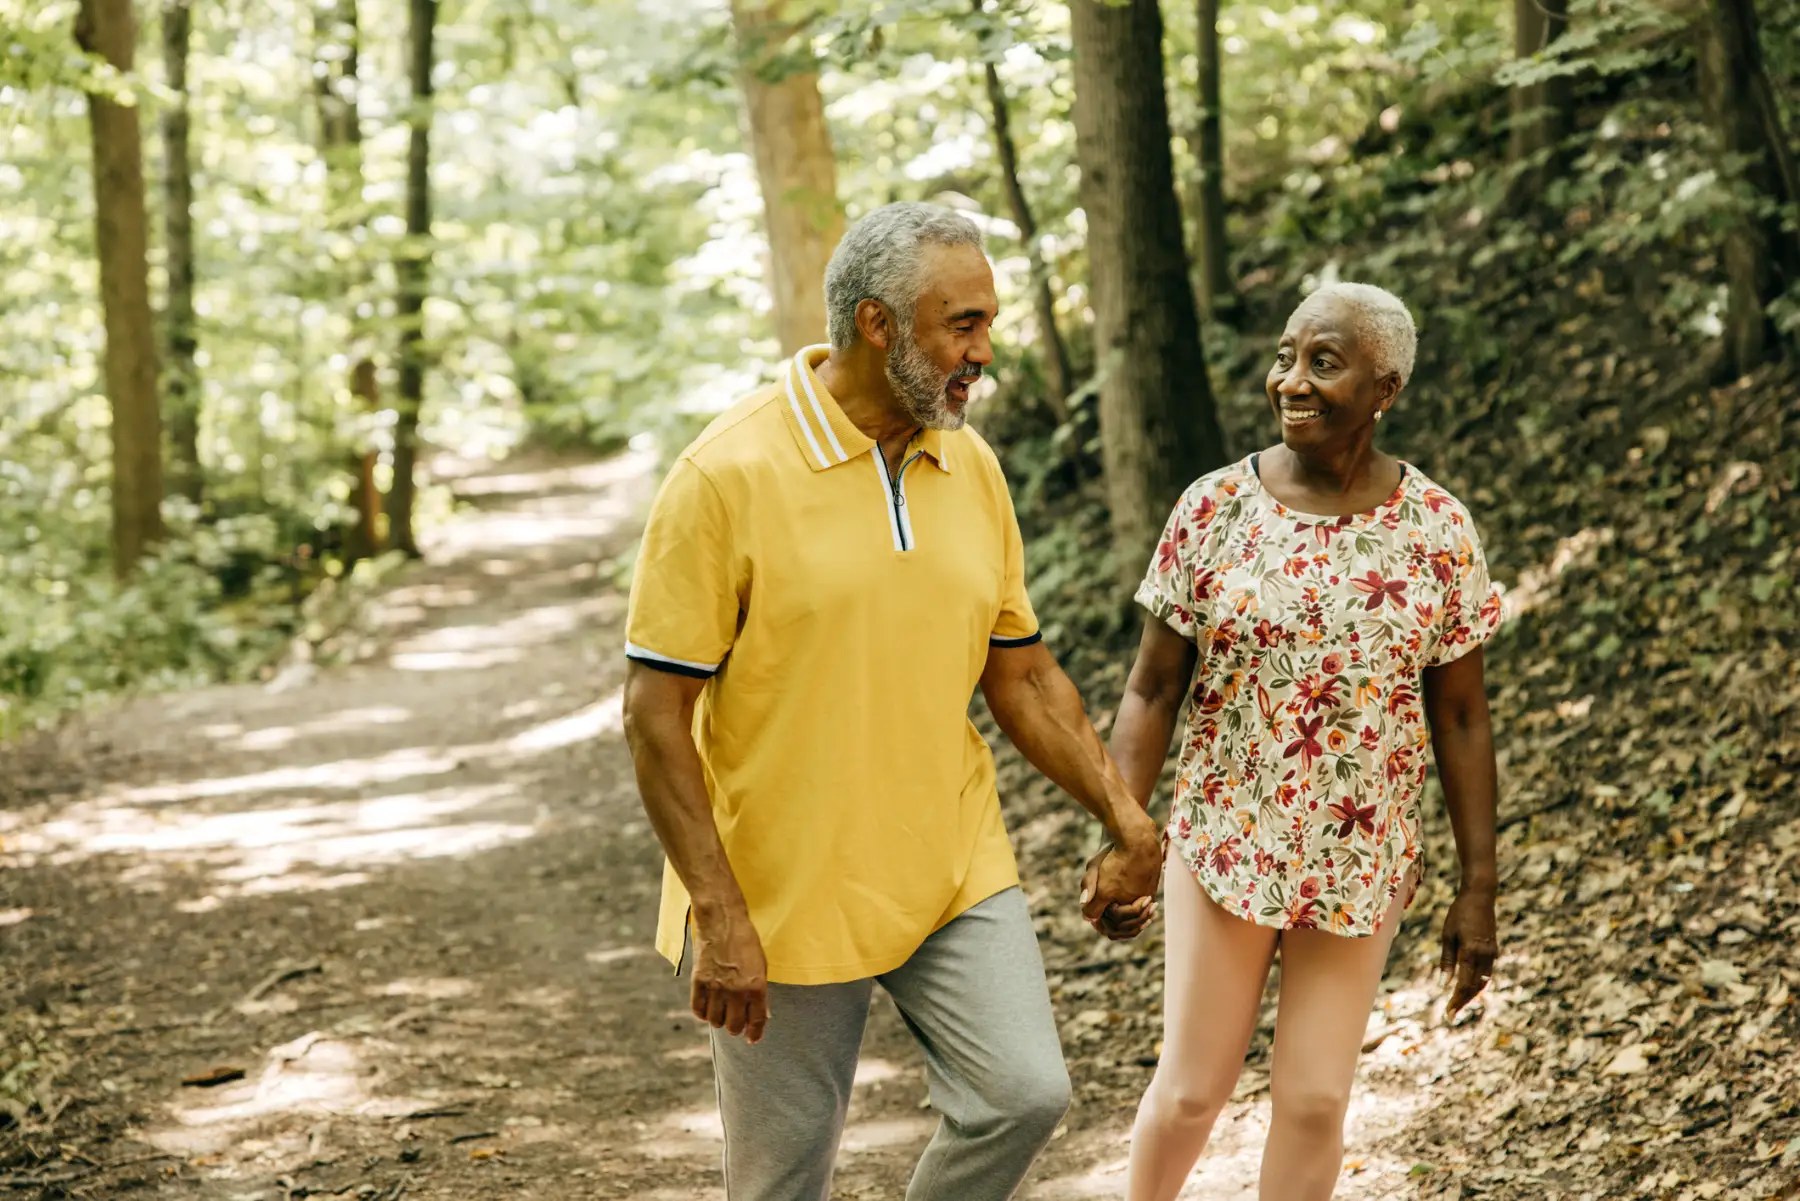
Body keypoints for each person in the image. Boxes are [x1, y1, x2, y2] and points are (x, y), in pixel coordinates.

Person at [620, 201, 1162, 1201]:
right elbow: (654, 717)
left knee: (1022, 1092)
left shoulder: (971, 465)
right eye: (963, 324)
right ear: (877, 325)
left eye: (987, 323)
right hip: (780, 886)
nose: (984, 352)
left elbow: (1024, 671)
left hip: (946, 859)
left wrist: (1125, 818)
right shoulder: (725, 474)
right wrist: (719, 911)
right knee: (780, 1182)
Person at [1105, 282, 1504, 1201]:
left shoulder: (1437, 529)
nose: (1292, 380)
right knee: (1195, 1088)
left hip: (1361, 855)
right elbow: (1152, 686)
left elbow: (1463, 715)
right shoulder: (1213, 508)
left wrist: (1478, 885)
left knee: (1318, 1097)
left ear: (1385, 388)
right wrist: (1125, 833)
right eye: (1287, 356)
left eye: (1324, 362)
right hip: (1226, 839)